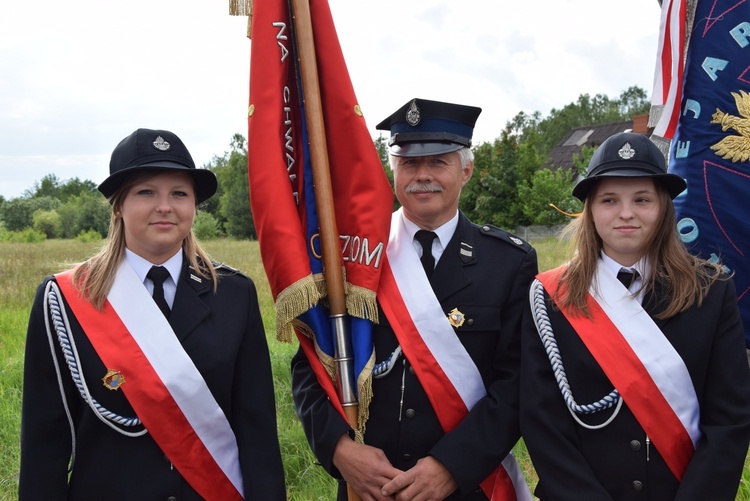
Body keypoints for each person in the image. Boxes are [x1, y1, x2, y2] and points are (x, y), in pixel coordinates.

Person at [19, 128, 286, 500]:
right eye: (146, 192)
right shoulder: (65, 299)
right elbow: (44, 444)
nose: (165, 206)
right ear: (118, 204)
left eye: (179, 193)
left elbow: (257, 433)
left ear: (193, 205)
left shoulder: (234, 294)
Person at [291, 98, 538, 500]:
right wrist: (340, 450)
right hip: (369, 487)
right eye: (408, 163)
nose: (422, 176)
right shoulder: (351, 257)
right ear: (393, 170)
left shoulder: (509, 263)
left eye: (439, 162)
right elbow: (311, 365)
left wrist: (451, 467)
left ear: (467, 170)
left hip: (466, 487)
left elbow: (517, 384)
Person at [521, 132, 750, 500]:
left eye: (642, 199)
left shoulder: (711, 291)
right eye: (609, 200)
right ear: (591, 210)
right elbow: (542, 421)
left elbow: (729, 422)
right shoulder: (550, 298)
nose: (626, 213)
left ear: (663, 209)